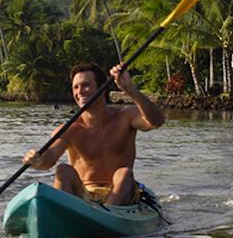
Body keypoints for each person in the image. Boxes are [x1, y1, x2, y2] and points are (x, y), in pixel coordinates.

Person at [23, 62, 165, 205]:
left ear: (102, 88)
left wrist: (130, 89)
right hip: (84, 193)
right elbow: (50, 158)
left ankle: (107, 214)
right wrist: (37, 160)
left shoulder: (125, 117)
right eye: (75, 87)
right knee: (63, 170)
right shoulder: (70, 128)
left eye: (86, 85)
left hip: (120, 194)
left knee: (124, 173)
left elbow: (156, 121)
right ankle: (64, 212)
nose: (80, 92)